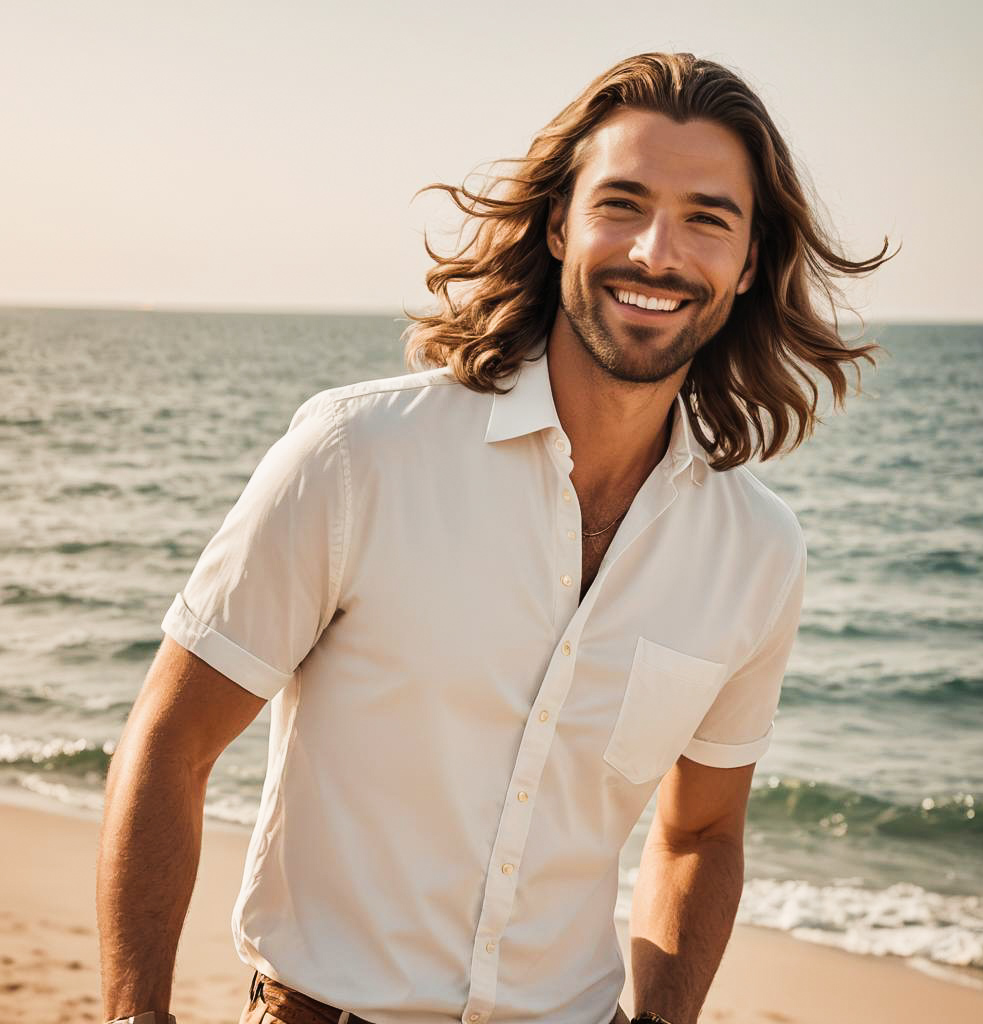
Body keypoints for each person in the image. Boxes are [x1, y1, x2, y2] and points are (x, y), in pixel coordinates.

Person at [97, 51, 893, 1024]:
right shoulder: (361, 455)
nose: (654, 250)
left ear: (749, 262)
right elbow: (170, 740)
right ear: (560, 222)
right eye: (622, 202)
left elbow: (700, 834)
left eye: (705, 218)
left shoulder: (757, 552)